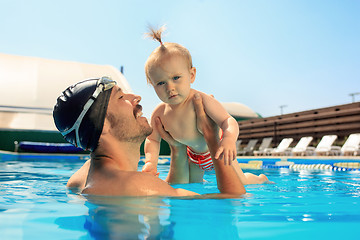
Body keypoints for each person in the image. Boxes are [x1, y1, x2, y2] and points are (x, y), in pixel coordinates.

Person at [53, 76, 246, 196]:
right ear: (103, 126)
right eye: (121, 98)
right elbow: (233, 198)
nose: (136, 97)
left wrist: (176, 147)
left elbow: (167, 190)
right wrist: (212, 136)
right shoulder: (135, 185)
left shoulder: (82, 177)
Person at [142, 26, 268, 184]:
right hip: (194, 157)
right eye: (161, 83)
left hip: (218, 150)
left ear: (192, 75)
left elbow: (228, 121)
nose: (170, 88)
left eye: (176, 78)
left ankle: (259, 179)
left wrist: (228, 139)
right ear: (152, 85)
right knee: (195, 187)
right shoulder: (159, 112)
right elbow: (152, 140)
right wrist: (150, 162)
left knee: (241, 182)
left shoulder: (199, 99)